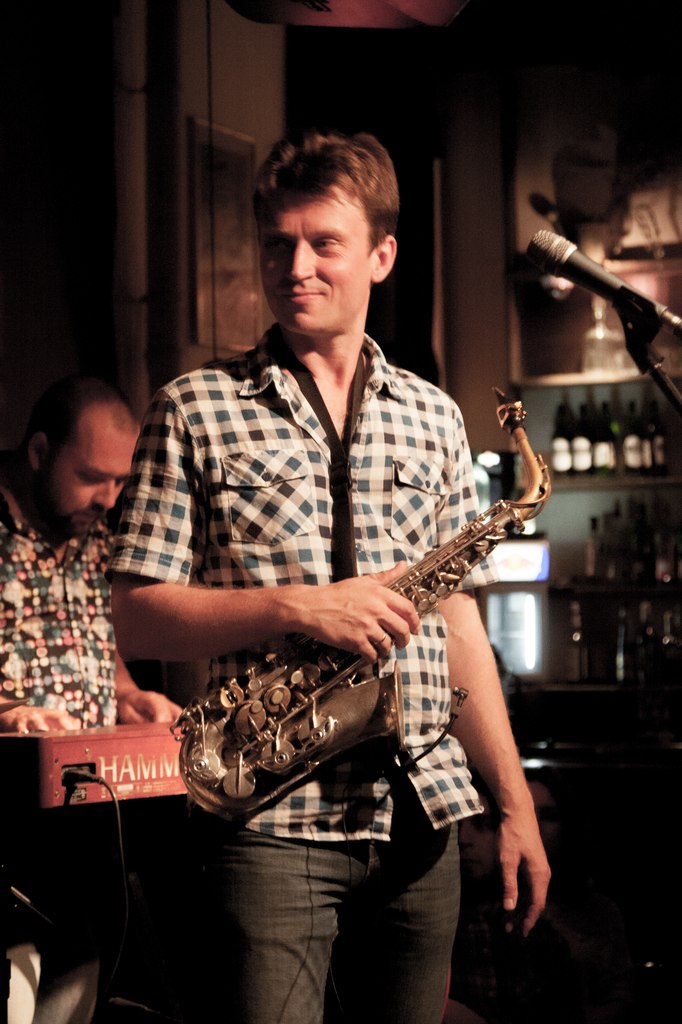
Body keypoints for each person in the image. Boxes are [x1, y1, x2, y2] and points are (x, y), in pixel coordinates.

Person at [108, 128, 550, 1024]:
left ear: (382, 255)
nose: (296, 266)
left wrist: (513, 804)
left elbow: (457, 622)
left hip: (422, 813)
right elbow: (136, 618)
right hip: (271, 824)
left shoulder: (434, 416)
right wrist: (297, 607)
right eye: (278, 243)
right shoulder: (193, 409)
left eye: (324, 243)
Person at [0, 373, 183, 1024]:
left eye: (119, 481)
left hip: (87, 807)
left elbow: (97, 639)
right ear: (39, 451)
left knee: (87, 970)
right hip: (10, 811)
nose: (108, 498)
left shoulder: (92, 530)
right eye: (91, 477)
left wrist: (128, 693)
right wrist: (6, 711)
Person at [443, 772, 584, 1024]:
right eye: (455, 827)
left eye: (482, 824)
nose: (464, 839)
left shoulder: (536, 933)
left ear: (506, 834)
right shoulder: (436, 926)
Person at [524, 765, 635, 1024]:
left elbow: (622, 992)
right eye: (527, 813)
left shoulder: (598, 911)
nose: (535, 826)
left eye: (548, 815)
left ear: (567, 824)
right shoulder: (487, 907)